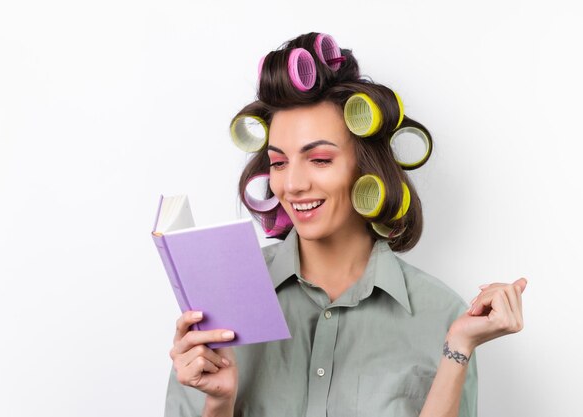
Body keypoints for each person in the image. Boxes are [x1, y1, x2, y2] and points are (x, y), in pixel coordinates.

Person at [165, 32, 526, 417]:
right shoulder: (223, 296)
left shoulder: (442, 317)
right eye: (279, 162)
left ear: (365, 168)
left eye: (319, 159)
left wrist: (458, 347)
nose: (293, 184)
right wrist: (219, 403)